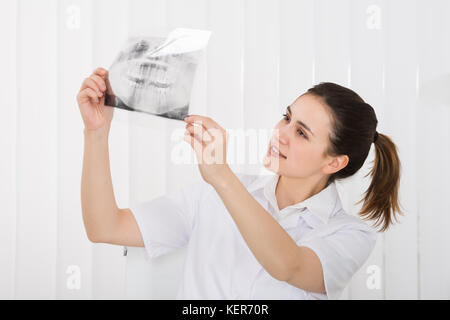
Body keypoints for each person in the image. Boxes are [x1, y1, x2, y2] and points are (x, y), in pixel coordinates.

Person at [77, 67, 403, 300]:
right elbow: (105, 227)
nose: (281, 133)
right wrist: (96, 132)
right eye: (287, 117)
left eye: (301, 133)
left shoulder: (350, 235)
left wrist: (221, 176)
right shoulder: (211, 196)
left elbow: (289, 266)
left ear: (334, 162)